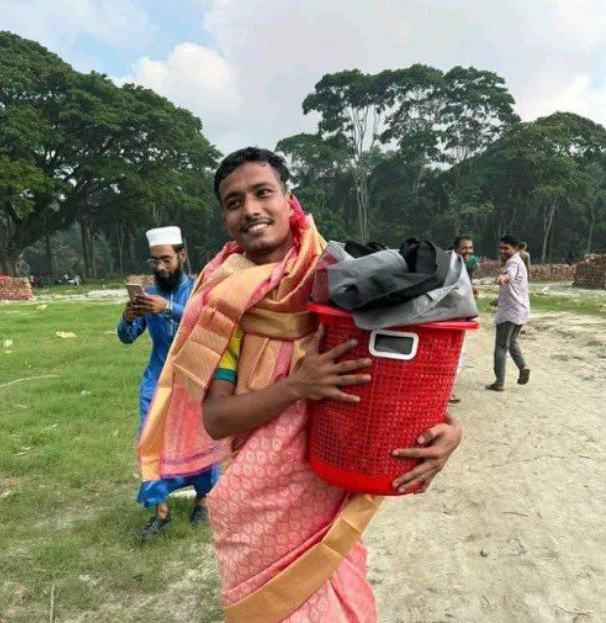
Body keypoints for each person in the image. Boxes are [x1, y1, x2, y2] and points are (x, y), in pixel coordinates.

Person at [138, 147, 463, 621]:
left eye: (262, 192)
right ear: (225, 219)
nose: (249, 209)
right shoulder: (220, 302)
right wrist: (298, 385)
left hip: (329, 485)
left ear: (289, 199)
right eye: (233, 202)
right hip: (256, 504)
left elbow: (404, 376)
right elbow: (215, 417)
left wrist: (450, 430)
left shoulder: (343, 279)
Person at [118, 226, 218, 539]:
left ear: (182, 255)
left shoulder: (200, 290)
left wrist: (169, 309)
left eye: (165, 260)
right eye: (154, 262)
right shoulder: (149, 295)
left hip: (193, 380)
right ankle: (160, 511)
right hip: (156, 381)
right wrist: (129, 317)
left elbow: (206, 327)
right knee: (151, 441)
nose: (160, 267)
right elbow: (125, 338)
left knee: (199, 441)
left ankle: (203, 499)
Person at [486, 234, 531, 392]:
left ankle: (499, 382)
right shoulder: (518, 262)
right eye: (501, 248)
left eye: (506, 248)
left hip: (510, 311)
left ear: (516, 248)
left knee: (500, 346)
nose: (502, 251)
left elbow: (508, 276)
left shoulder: (512, 263)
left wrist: (502, 278)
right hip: (520, 309)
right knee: (511, 342)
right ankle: (523, 367)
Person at [449, 235, 479, 404]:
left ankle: (448, 389)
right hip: (451, 317)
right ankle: (447, 391)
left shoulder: (464, 265)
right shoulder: (451, 266)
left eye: (470, 248)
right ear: (456, 248)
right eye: (464, 248)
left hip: (459, 317)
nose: (468, 251)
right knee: (453, 353)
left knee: (457, 352)